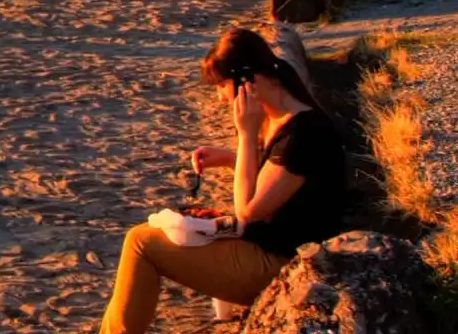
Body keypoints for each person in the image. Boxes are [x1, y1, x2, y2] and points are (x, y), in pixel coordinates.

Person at [99, 27, 350, 333]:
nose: (219, 98)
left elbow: (248, 210)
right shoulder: (287, 119)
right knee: (143, 234)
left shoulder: (303, 134)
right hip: (275, 250)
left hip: (284, 265)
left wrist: (245, 135)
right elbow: (281, 186)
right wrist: (233, 159)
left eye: (220, 86)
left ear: (246, 82)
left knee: (141, 244)